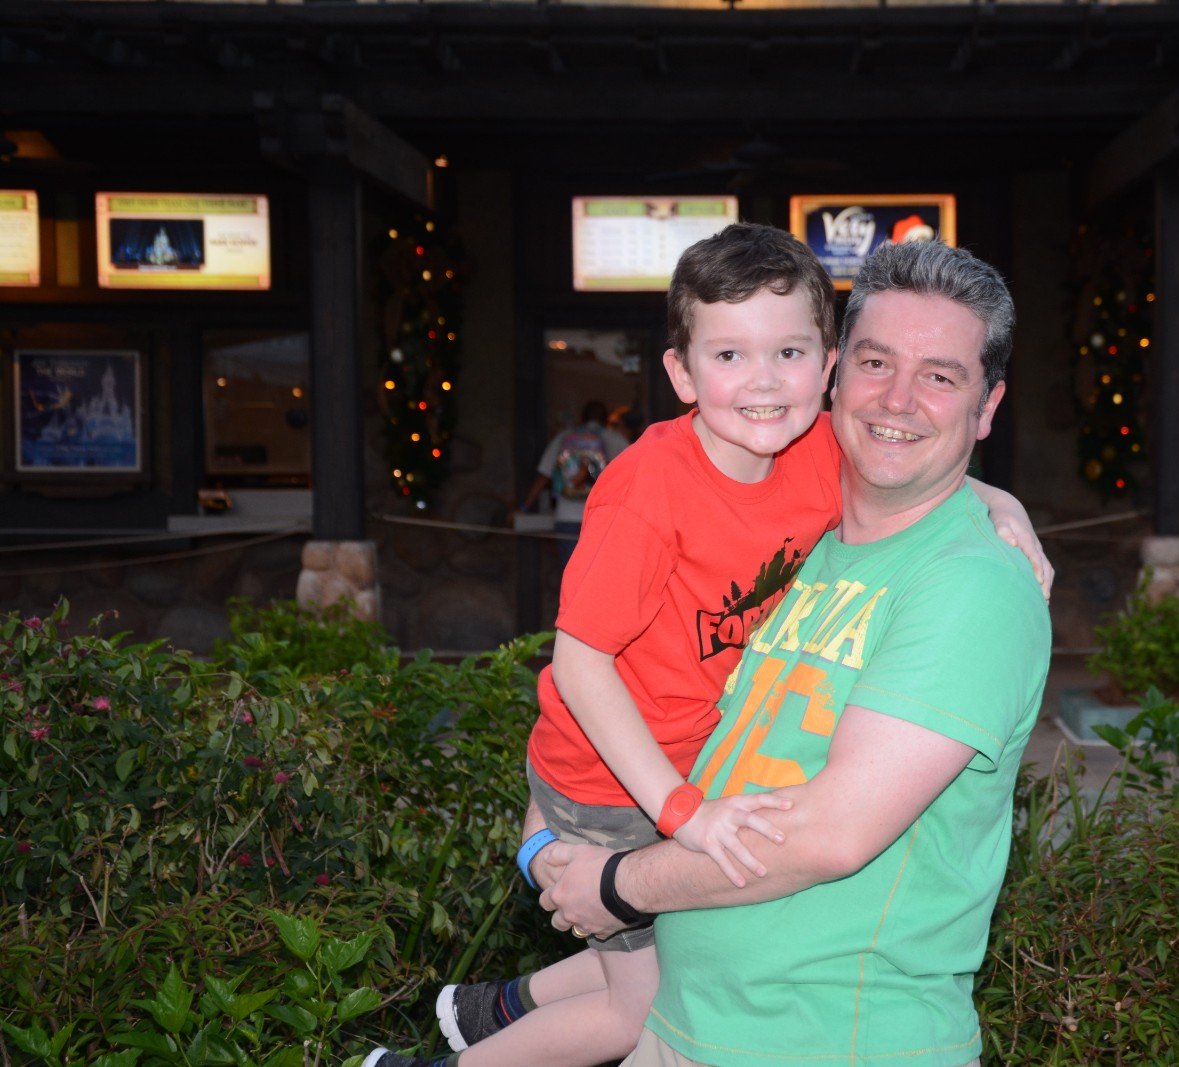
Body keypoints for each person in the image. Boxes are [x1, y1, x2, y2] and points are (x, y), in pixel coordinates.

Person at [363, 226, 1049, 1067]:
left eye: (939, 376)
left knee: (628, 992)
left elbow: (832, 836)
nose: (897, 400)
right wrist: (588, 803)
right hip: (672, 934)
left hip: (826, 1040)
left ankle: (490, 1016)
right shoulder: (777, 510)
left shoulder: (955, 575)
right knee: (633, 992)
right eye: (878, 363)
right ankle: (494, 1013)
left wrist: (1004, 505)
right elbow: (591, 662)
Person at [521, 399, 633, 572]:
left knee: (571, 574)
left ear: (582, 418)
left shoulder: (564, 437)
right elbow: (636, 474)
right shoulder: (615, 439)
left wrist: (524, 507)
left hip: (565, 517)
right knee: (600, 574)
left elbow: (543, 475)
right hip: (601, 517)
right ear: (606, 419)